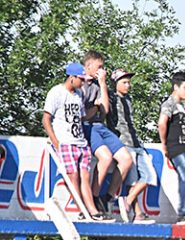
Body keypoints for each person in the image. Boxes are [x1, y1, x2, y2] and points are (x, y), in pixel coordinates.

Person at [41, 62, 107, 221]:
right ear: (72, 77)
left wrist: (97, 108)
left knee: (85, 176)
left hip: (80, 142)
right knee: (73, 177)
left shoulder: (78, 95)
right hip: (66, 142)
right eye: (80, 79)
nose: (83, 82)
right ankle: (82, 210)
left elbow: (82, 117)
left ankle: (92, 210)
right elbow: (46, 119)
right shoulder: (56, 92)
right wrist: (56, 142)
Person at [81, 51, 135, 217]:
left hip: (100, 126)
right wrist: (95, 108)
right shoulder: (80, 84)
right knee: (105, 158)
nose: (101, 70)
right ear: (88, 66)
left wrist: (103, 84)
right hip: (87, 126)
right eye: (99, 67)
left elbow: (104, 110)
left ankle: (107, 196)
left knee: (126, 159)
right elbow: (83, 115)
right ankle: (93, 197)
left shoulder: (98, 85)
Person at [106, 68, 158, 224]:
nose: (128, 85)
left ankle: (127, 201)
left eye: (129, 82)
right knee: (133, 181)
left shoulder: (128, 99)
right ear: (115, 84)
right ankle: (138, 214)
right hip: (123, 142)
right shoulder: (111, 98)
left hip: (136, 142)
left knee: (149, 176)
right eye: (124, 82)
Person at [158, 71, 185, 225]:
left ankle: (184, 212)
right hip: (177, 147)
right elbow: (162, 123)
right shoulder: (169, 103)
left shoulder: (181, 106)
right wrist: (164, 144)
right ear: (176, 87)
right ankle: (181, 213)